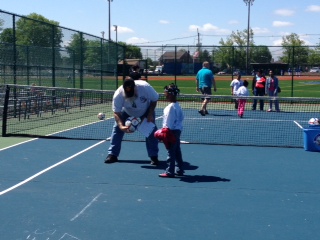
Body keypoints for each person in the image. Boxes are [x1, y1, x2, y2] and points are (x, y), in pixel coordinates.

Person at [105, 77, 160, 165]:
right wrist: (121, 126)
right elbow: (116, 112)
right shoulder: (118, 94)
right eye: (127, 92)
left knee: (151, 132)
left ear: (135, 87)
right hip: (127, 112)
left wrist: (150, 114)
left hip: (145, 111)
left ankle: (154, 156)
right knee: (117, 130)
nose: (129, 93)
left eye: (131, 91)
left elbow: (154, 100)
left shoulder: (145, 87)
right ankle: (112, 155)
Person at [155, 83, 184, 178]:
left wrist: (164, 134)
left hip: (171, 132)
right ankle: (179, 169)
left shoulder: (170, 107)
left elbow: (168, 123)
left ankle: (170, 171)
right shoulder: (177, 105)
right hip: (177, 130)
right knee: (177, 150)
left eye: (166, 93)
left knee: (171, 151)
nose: (164, 94)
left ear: (170, 94)